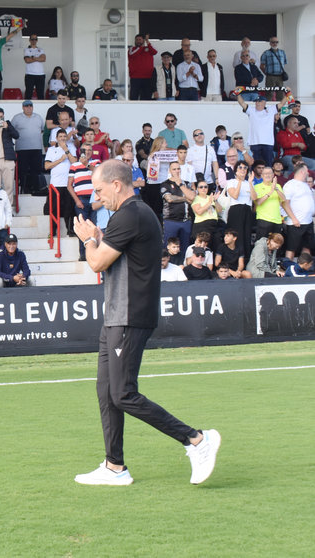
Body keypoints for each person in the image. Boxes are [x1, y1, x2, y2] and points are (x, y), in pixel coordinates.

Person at [72, 159, 221, 486]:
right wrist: (98, 235)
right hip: (116, 316)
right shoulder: (127, 216)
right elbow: (112, 257)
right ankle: (115, 467)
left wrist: (87, 238)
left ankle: (196, 439)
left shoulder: (132, 214)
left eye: (99, 190)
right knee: (106, 391)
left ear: (116, 184)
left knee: (123, 393)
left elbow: (96, 262)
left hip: (129, 315)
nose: (96, 197)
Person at [237, 94, 287, 167]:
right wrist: (238, 94)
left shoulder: (271, 110)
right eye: (256, 101)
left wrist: (287, 93)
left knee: (268, 165)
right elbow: (241, 103)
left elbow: (282, 103)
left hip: (268, 143)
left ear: (264, 102)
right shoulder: (251, 110)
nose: (258, 103)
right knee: (256, 166)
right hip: (255, 143)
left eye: (260, 101)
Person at [252, 167, 294, 241]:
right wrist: (270, 191)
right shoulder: (257, 187)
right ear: (262, 175)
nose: (268, 175)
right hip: (263, 220)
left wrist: (276, 188)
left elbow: (284, 199)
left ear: (273, 175)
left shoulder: (277, 186)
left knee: (276, 245)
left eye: (270, 173)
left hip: (277, 220)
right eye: (265, 173)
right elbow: (258, 202)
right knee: (261, 244)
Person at [127, 34, 156, 101]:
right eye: (137, 40)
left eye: (140, 40)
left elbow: (155, 52)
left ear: (143, 40)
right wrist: (141, 47)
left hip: (148, 78)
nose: (138, 41)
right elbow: (132, 54)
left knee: (146, 98)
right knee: (134, 98)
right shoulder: (132, 49)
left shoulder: (149, 48)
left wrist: (147, 41)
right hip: (135, 78)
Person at [259, 36, 287, 101]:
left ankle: (279, 110)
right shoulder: (266, 53)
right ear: (270, 43)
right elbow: (261, 66)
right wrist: (267, 74)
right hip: (270, 76)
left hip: (280, 77)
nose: (275, 44)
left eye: (276, 42)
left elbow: (284, 64)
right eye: (273, 42)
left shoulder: (282, 52)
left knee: (280, 94)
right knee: (269, 95)